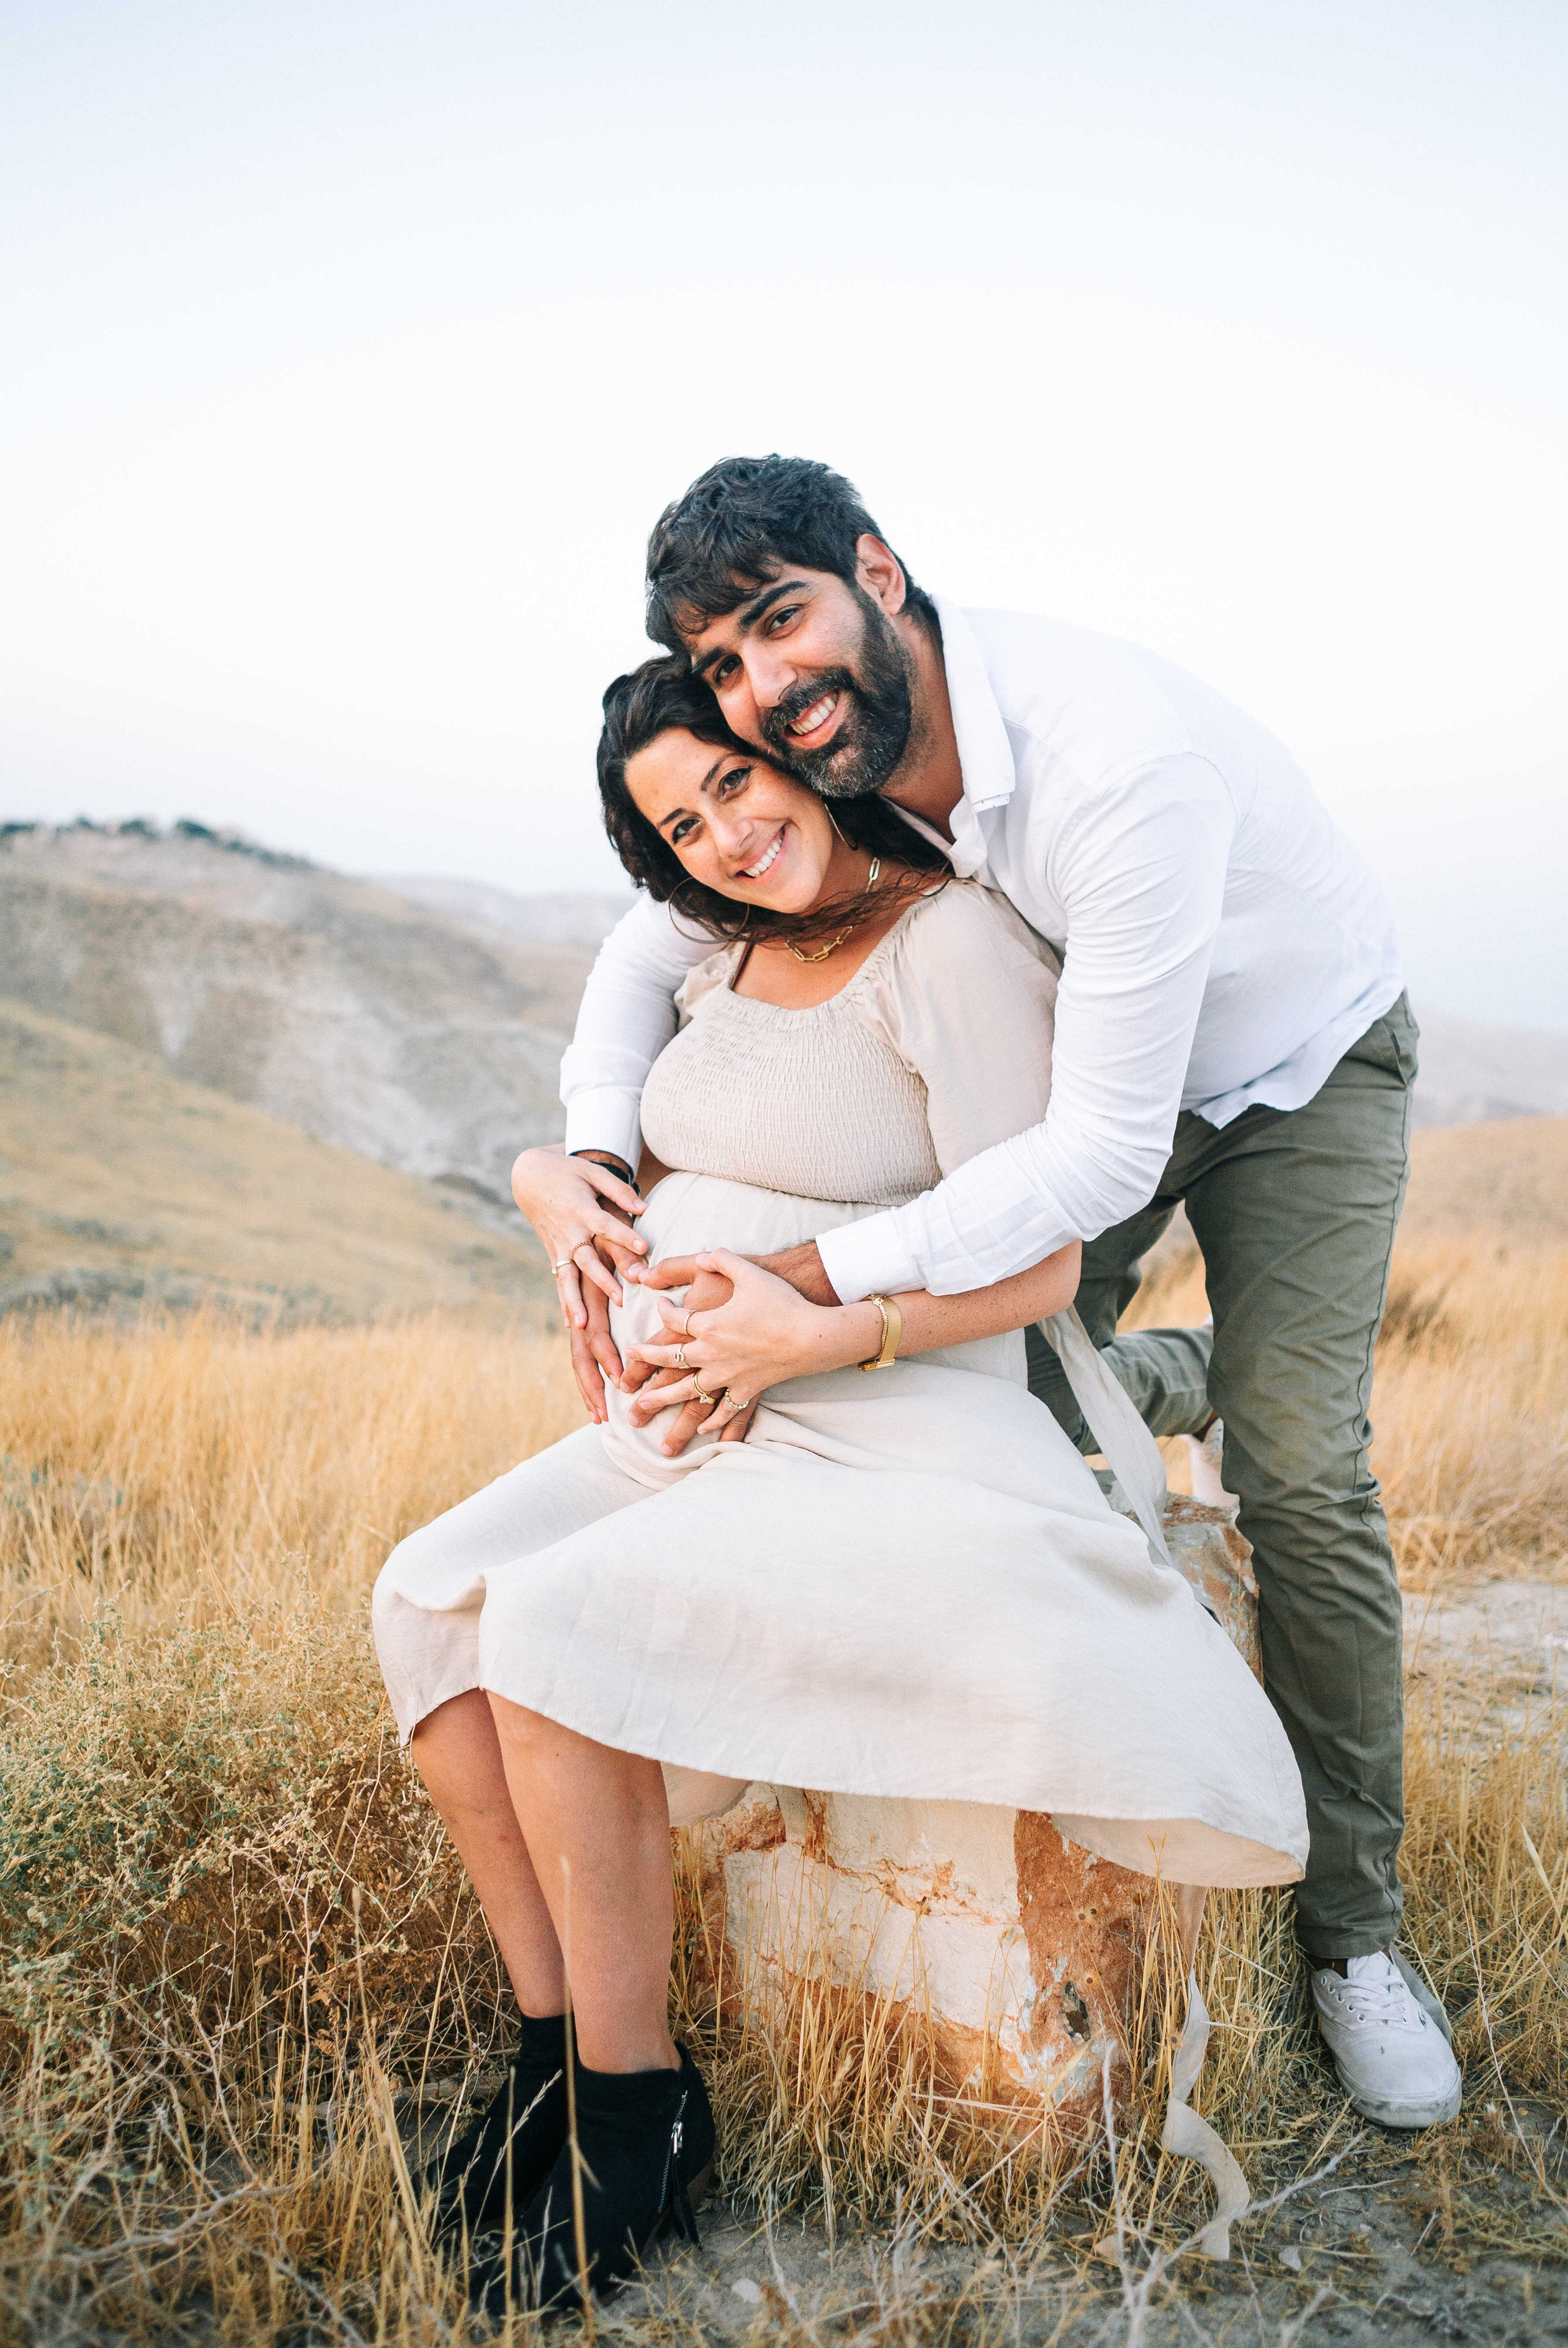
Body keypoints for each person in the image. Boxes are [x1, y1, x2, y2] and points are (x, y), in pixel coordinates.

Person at [541, 455, 1463, 2136]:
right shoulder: (836, 748)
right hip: (1087, 1078)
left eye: (780, 621)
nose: (767, 689)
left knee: (1307, 1473)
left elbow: (1100, 1168)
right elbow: (647, 939)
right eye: (728, 662)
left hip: (1282, 1071)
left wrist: (808, 1284)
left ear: (880, 576)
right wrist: (587, 1158)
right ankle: (1207, 1375)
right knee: (1000, 1376)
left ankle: (1355, 1939)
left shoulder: (1118, 765)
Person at [372, 660, 1307, 2311]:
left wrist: (811, 1337)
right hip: (697, 1421)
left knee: (557, 1626)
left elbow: (1038, 1265)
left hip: (896, 1415)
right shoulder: (720, 956)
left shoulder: (946, 943)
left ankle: (637, 2113)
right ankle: (550, 2062)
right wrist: (547, 1182)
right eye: (681, 821)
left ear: (796, 755)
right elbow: (648, 1162)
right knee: (428, 1600)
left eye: (735, 783)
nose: (728, 832)